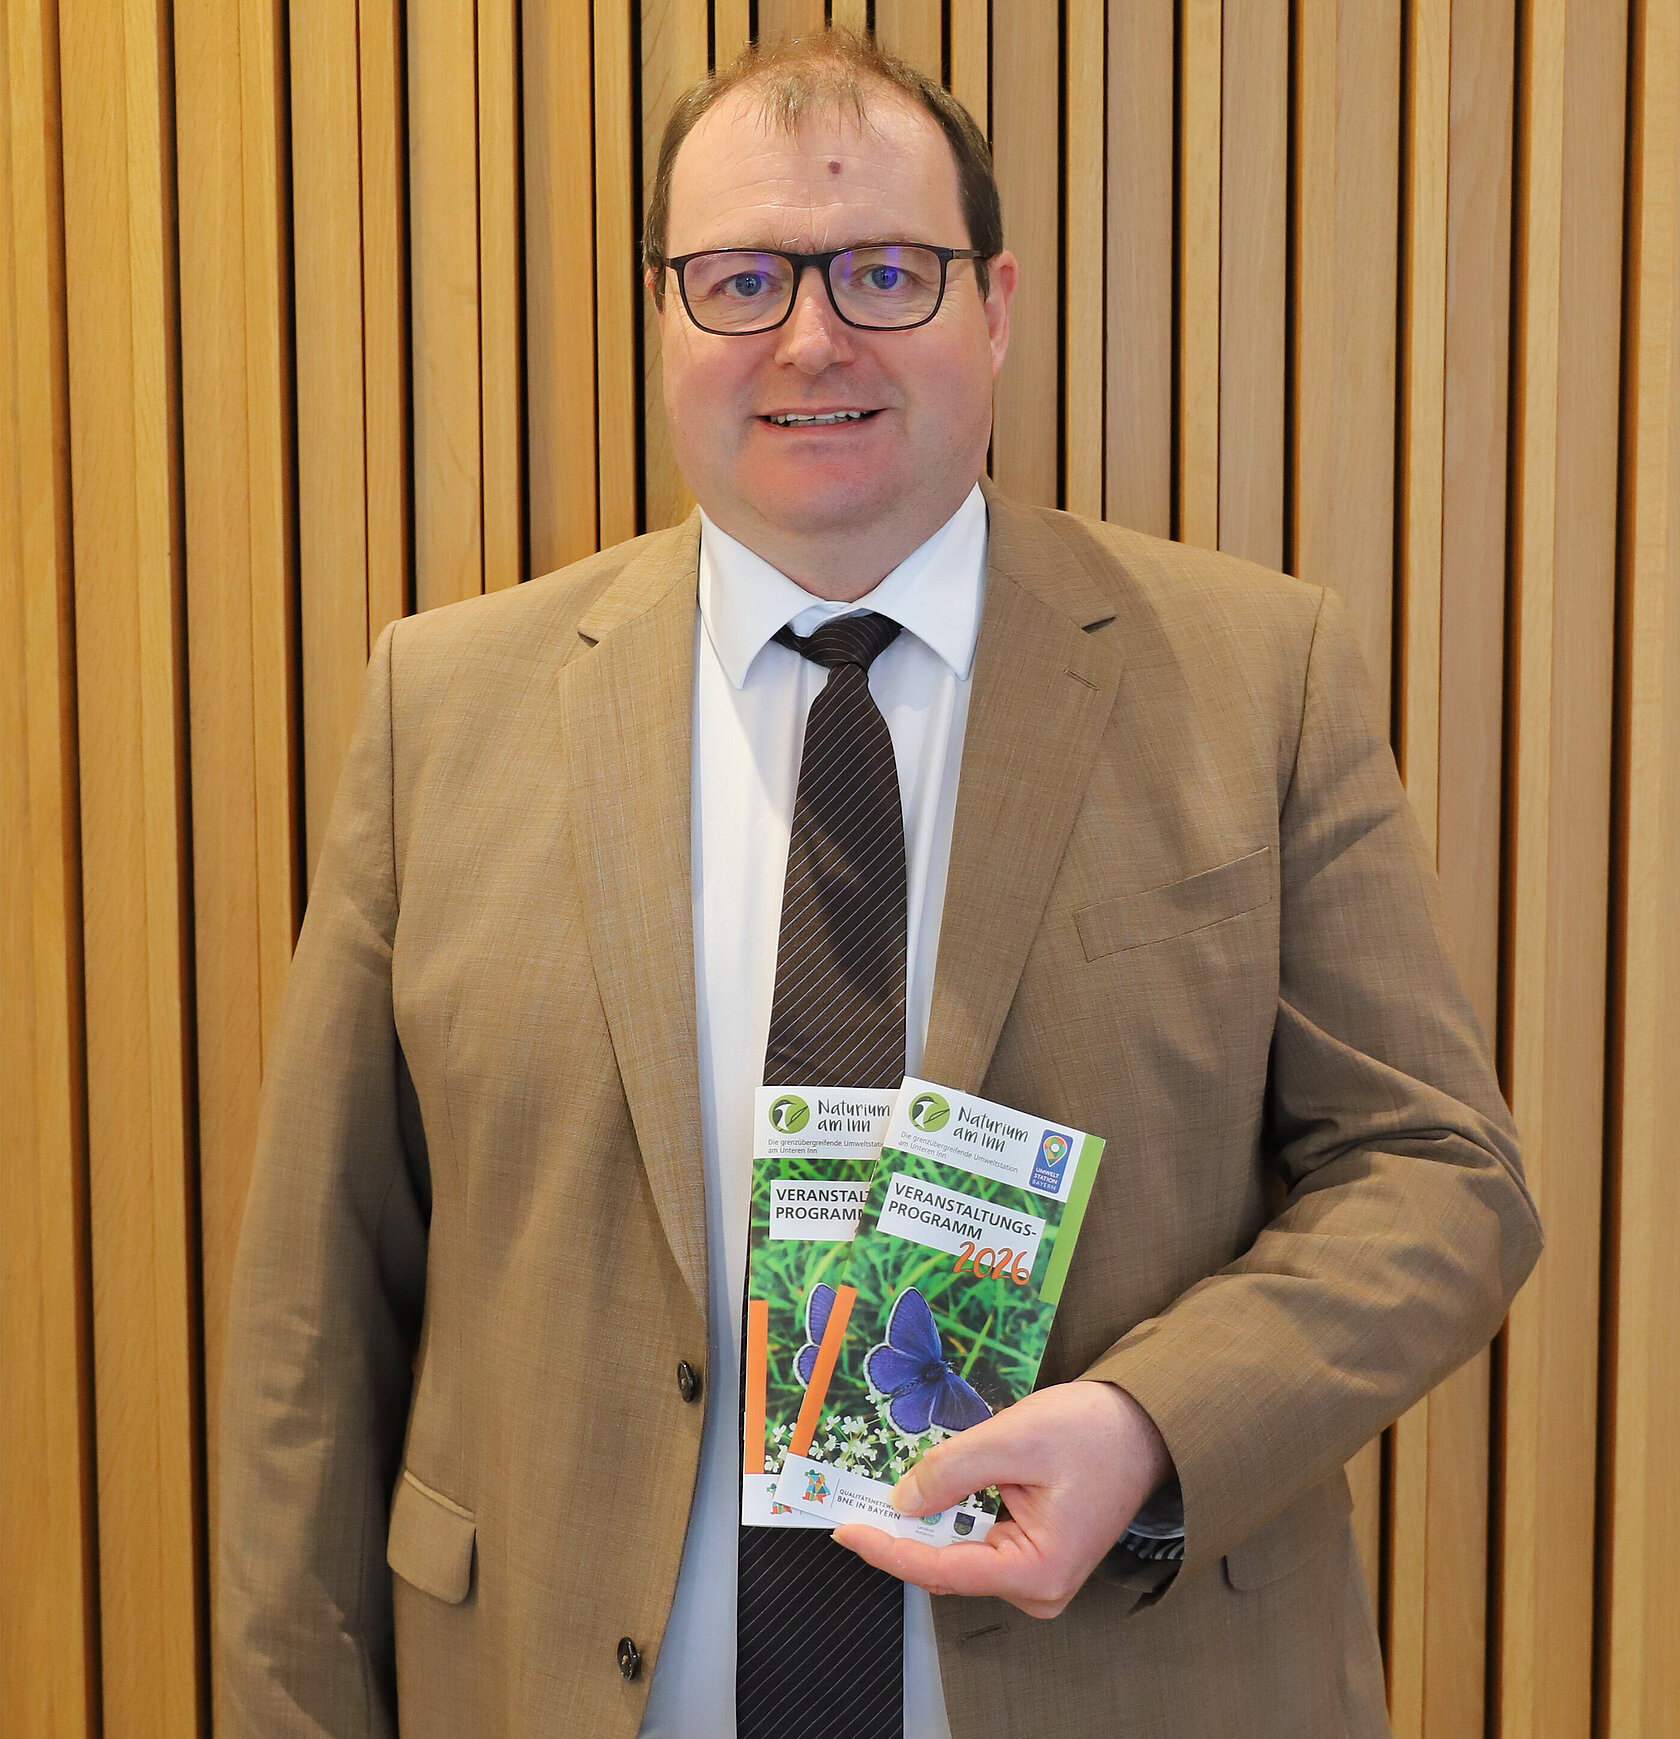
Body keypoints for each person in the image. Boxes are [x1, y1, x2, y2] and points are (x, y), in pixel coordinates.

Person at [217, 29, 1541, 1739]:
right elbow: (312, 1318)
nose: (811, 338)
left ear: (997, 308)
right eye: (741, 280)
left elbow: (1439, 1175)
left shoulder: (1254, 677)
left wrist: (1151, 1425)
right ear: (661, 318)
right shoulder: (442, 707)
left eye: (887, 273)